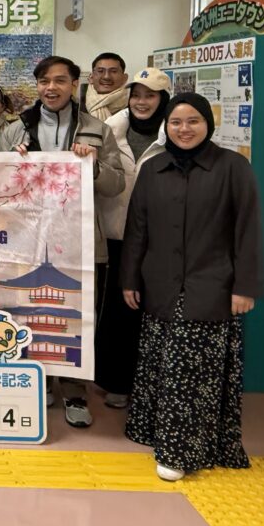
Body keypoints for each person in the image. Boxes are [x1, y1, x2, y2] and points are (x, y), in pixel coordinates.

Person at [121, 93, 263, 482]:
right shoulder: (153, 168)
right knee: (159, 364)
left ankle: (179, 451)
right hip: (159, 285)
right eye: (176, 122)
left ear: (208, 124)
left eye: (193, 121)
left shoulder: (233, 167)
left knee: (190, 372)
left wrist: (245, 286)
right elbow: (137, 229)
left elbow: (248, 230)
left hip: (210, 286)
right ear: (165, 126)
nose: (184, 129)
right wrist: (130, 278)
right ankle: (151, 430)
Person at [4, 55, 125, 428]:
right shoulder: (15, 129)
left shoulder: (96, 130)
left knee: (76, 316)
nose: (50, 88)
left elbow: (117, 183)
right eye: (44, 81)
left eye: (59, 80)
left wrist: (94, 166)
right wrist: (11, 163)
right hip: (28, 240)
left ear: (74, 84)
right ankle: (39, 382)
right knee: (30, 312)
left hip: (80, 240)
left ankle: (75, 392)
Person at [94, 68, 170, 410]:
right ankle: (116, 382)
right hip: (113, 234)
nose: (141, 102)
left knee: (150, 311)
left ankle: (150, 384)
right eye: (136, 95)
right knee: (115, 313)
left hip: (158, 242)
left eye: (150, 96)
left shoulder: (175, 133)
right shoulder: (110, 129)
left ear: (163, 99)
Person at [80, 52, 129, 121]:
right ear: (91, 78)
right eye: (100, 71)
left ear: (124, 78)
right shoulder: (76, 107)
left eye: (113, 71)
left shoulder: (134, 108)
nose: (106, 77)